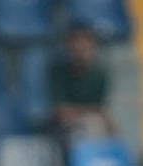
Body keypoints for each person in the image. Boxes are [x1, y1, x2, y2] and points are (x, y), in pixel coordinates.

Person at [48, 20, 116, 157]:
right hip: (63, 127)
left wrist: (94, 114)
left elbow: (101, 108)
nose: (80, 50)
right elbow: (62, 112)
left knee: (106, 128)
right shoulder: (58, 72)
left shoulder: (99, 74)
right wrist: (91, 112)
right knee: (92, 124)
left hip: (90, 122)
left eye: (85, 45)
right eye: (76, 46)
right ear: (69, 47)